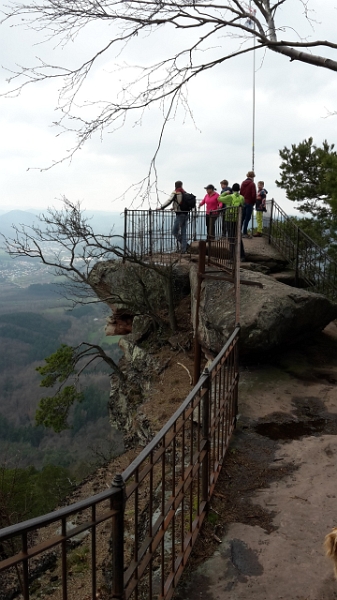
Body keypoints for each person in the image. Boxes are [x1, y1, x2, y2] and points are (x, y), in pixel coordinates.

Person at [161, 180, 189, 253]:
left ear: (175, 185)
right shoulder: (184, 193)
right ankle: (184, 249)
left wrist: (161, 207)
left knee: (174, 231)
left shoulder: (176, 192)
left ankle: (185, 245)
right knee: (183, 232)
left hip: (179, 214)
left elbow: (169, 200)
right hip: (186, 214)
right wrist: (174, 207)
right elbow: (181, 203)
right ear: (181, 185)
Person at [223, 183, 246, 261]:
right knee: (238, 237)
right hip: (237, 219)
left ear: (232, 189)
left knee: (231, 238)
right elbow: (242, 205)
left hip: (229, 218)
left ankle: (233, 257)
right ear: (239, 189)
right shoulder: (241, 197)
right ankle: (242, 256)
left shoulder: (229, 197)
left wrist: (225, 193)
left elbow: (219, 198)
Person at [240, 170, 257, 238]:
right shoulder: (252, 184)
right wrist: (253, 202)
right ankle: (245, 232)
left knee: (242, 218)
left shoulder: (243, 183)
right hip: (249, 203)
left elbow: (241, 193)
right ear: (253, 176)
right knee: (247, 218)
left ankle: (239, 232)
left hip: (243, 202)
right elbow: (253, 195)